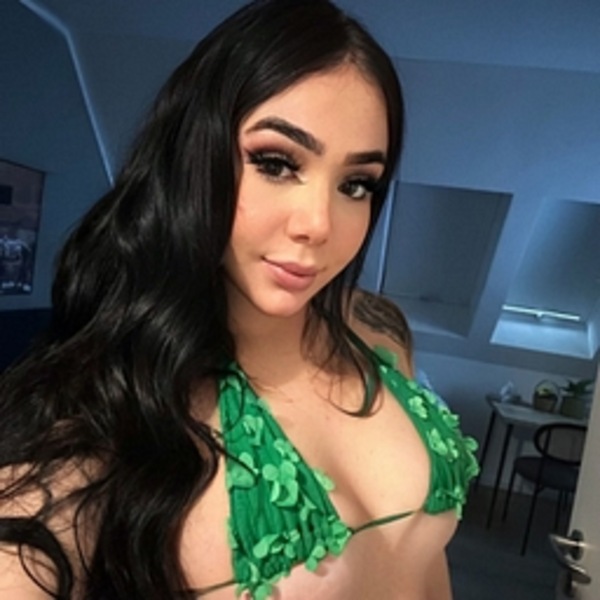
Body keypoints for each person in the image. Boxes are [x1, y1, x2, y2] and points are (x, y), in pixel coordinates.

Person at [0, 1, 479, 598]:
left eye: (356, 184)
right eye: (277, 164)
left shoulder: (378, 331)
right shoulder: (113, 422)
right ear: (192, 158)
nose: (319, 224)